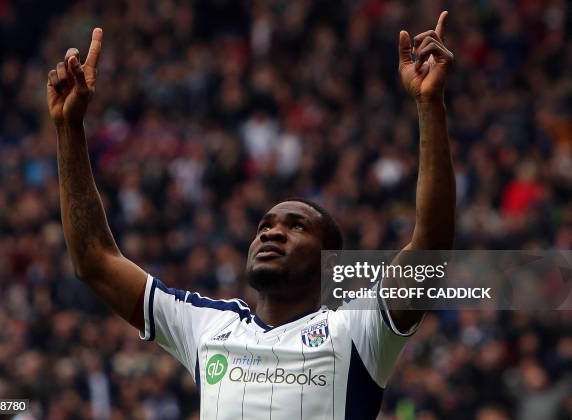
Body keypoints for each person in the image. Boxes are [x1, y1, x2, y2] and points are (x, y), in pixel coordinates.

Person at [46, 11, 455, 419]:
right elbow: (95, 261)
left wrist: (429, 104)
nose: (272, 234)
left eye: (297, 226)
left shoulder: (356, 332)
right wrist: (69, 128)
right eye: (265, 226)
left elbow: (431, 246)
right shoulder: (209, 327)